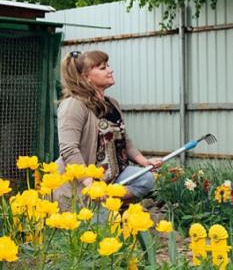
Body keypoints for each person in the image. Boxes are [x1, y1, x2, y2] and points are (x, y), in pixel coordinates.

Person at [53, 50, 162, 210]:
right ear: (85, 77)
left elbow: (125, 140)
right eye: (103, 68)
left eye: (108, 66)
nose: (110, 70)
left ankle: (107, 199)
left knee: (145, 178)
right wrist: (89, 182)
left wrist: (144, 161)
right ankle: (98, 203)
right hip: (82, 183)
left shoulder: (113, 104)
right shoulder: (73, 105)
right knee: (99, 231)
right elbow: (69, 149)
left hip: (113, 176)